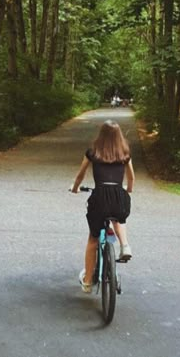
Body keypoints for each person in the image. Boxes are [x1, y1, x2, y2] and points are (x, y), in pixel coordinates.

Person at [70, 120, 135, 293]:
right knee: (118, 218)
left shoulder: (92, 152)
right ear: (119, 136)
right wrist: (128, 190)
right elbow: (131, 179)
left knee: (93, 238)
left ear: (101, 135)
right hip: (118, 198)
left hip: (99, 198)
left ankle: (88, 281)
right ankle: (125, 245)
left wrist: (75, 188)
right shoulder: (125, 154)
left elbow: (80, 175)